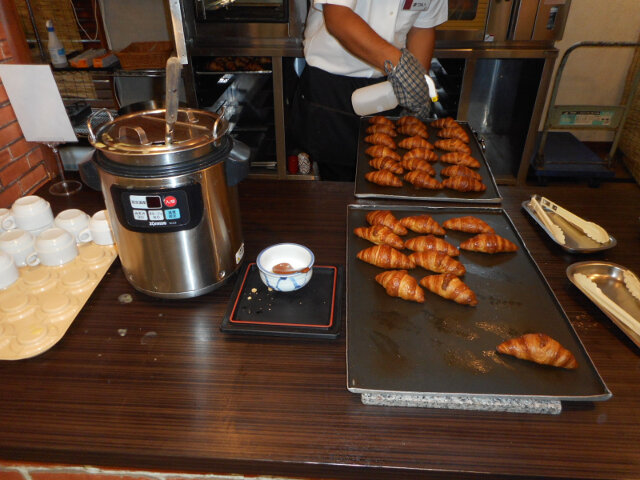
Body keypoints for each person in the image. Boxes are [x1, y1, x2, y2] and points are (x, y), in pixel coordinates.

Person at [292, 0, 448, 181]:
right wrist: (400, 65)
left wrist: (416, 84)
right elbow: (338, 16)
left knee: (390, 174)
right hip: (333, 90)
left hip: (390, 86)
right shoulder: (396, 63)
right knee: (337, 186)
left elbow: (422, 27)